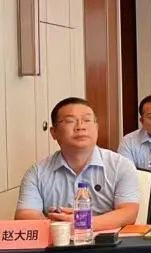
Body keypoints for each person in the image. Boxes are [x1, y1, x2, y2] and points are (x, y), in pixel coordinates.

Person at [15, 97, 139, 228]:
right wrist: (62, 227)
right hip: (58, 239)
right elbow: (25, 215)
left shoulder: (121, 166)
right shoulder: (37, 173)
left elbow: (128, 212)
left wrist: (82, 223)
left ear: (96, 128)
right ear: (54, 132)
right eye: (70, 121)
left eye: (87, 120)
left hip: (107, 240)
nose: (80, 126)